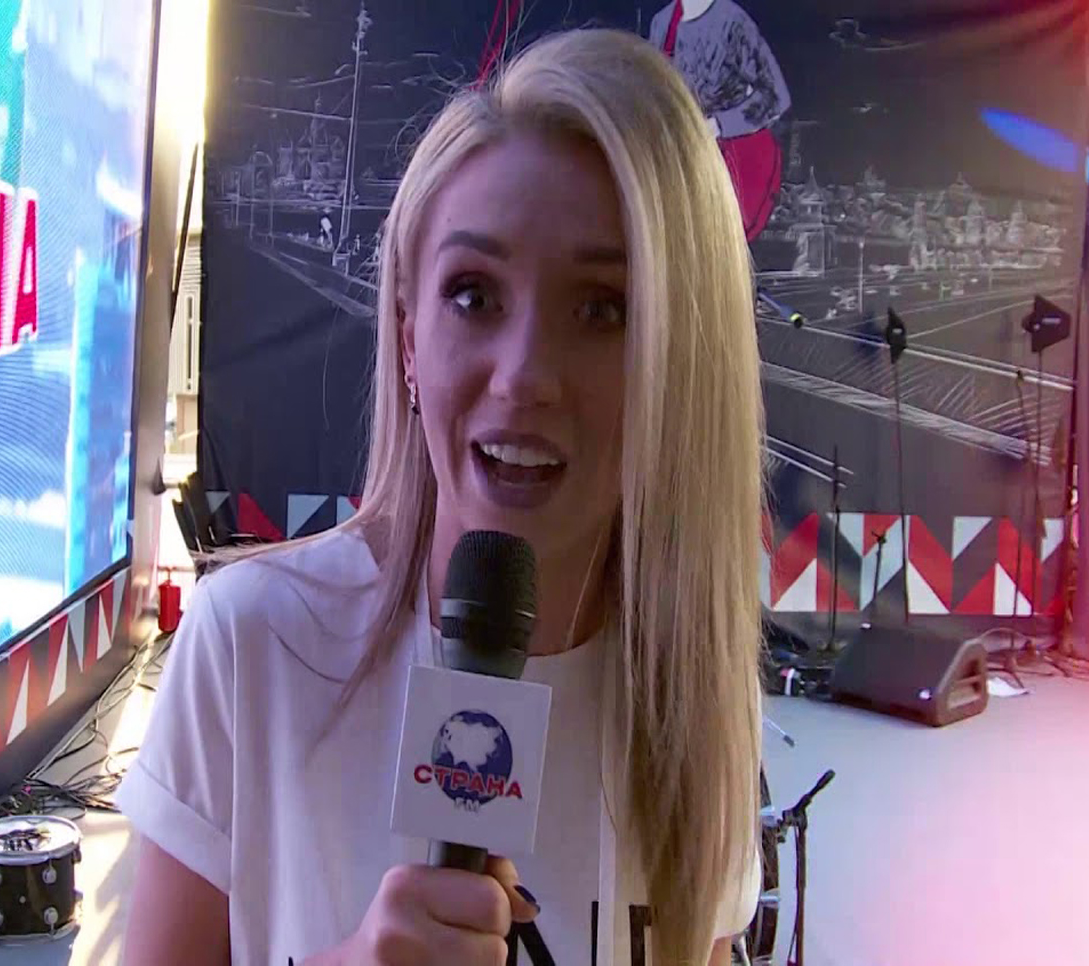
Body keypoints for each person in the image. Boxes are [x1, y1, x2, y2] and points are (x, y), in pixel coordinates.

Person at [118, 27, 764, 966]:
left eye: (602, 309)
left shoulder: (693, 697)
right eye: (473, 295)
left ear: (679, 358)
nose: (524, 375)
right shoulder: (250, 645)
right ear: (409, 339)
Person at [649, 0, 791, 240]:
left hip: (729, 167)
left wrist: (718, 125)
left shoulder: (733, 22)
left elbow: (775, 95)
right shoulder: (661, 22)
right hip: (679, 164)